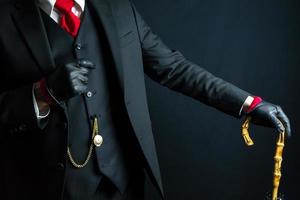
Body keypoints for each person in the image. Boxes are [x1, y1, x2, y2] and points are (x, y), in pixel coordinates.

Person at [0, 0, 291, 199]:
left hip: (123, 184)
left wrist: (248, 104)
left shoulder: (116, 6)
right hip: (51, 187)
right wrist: (42, 93)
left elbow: (173, 68)